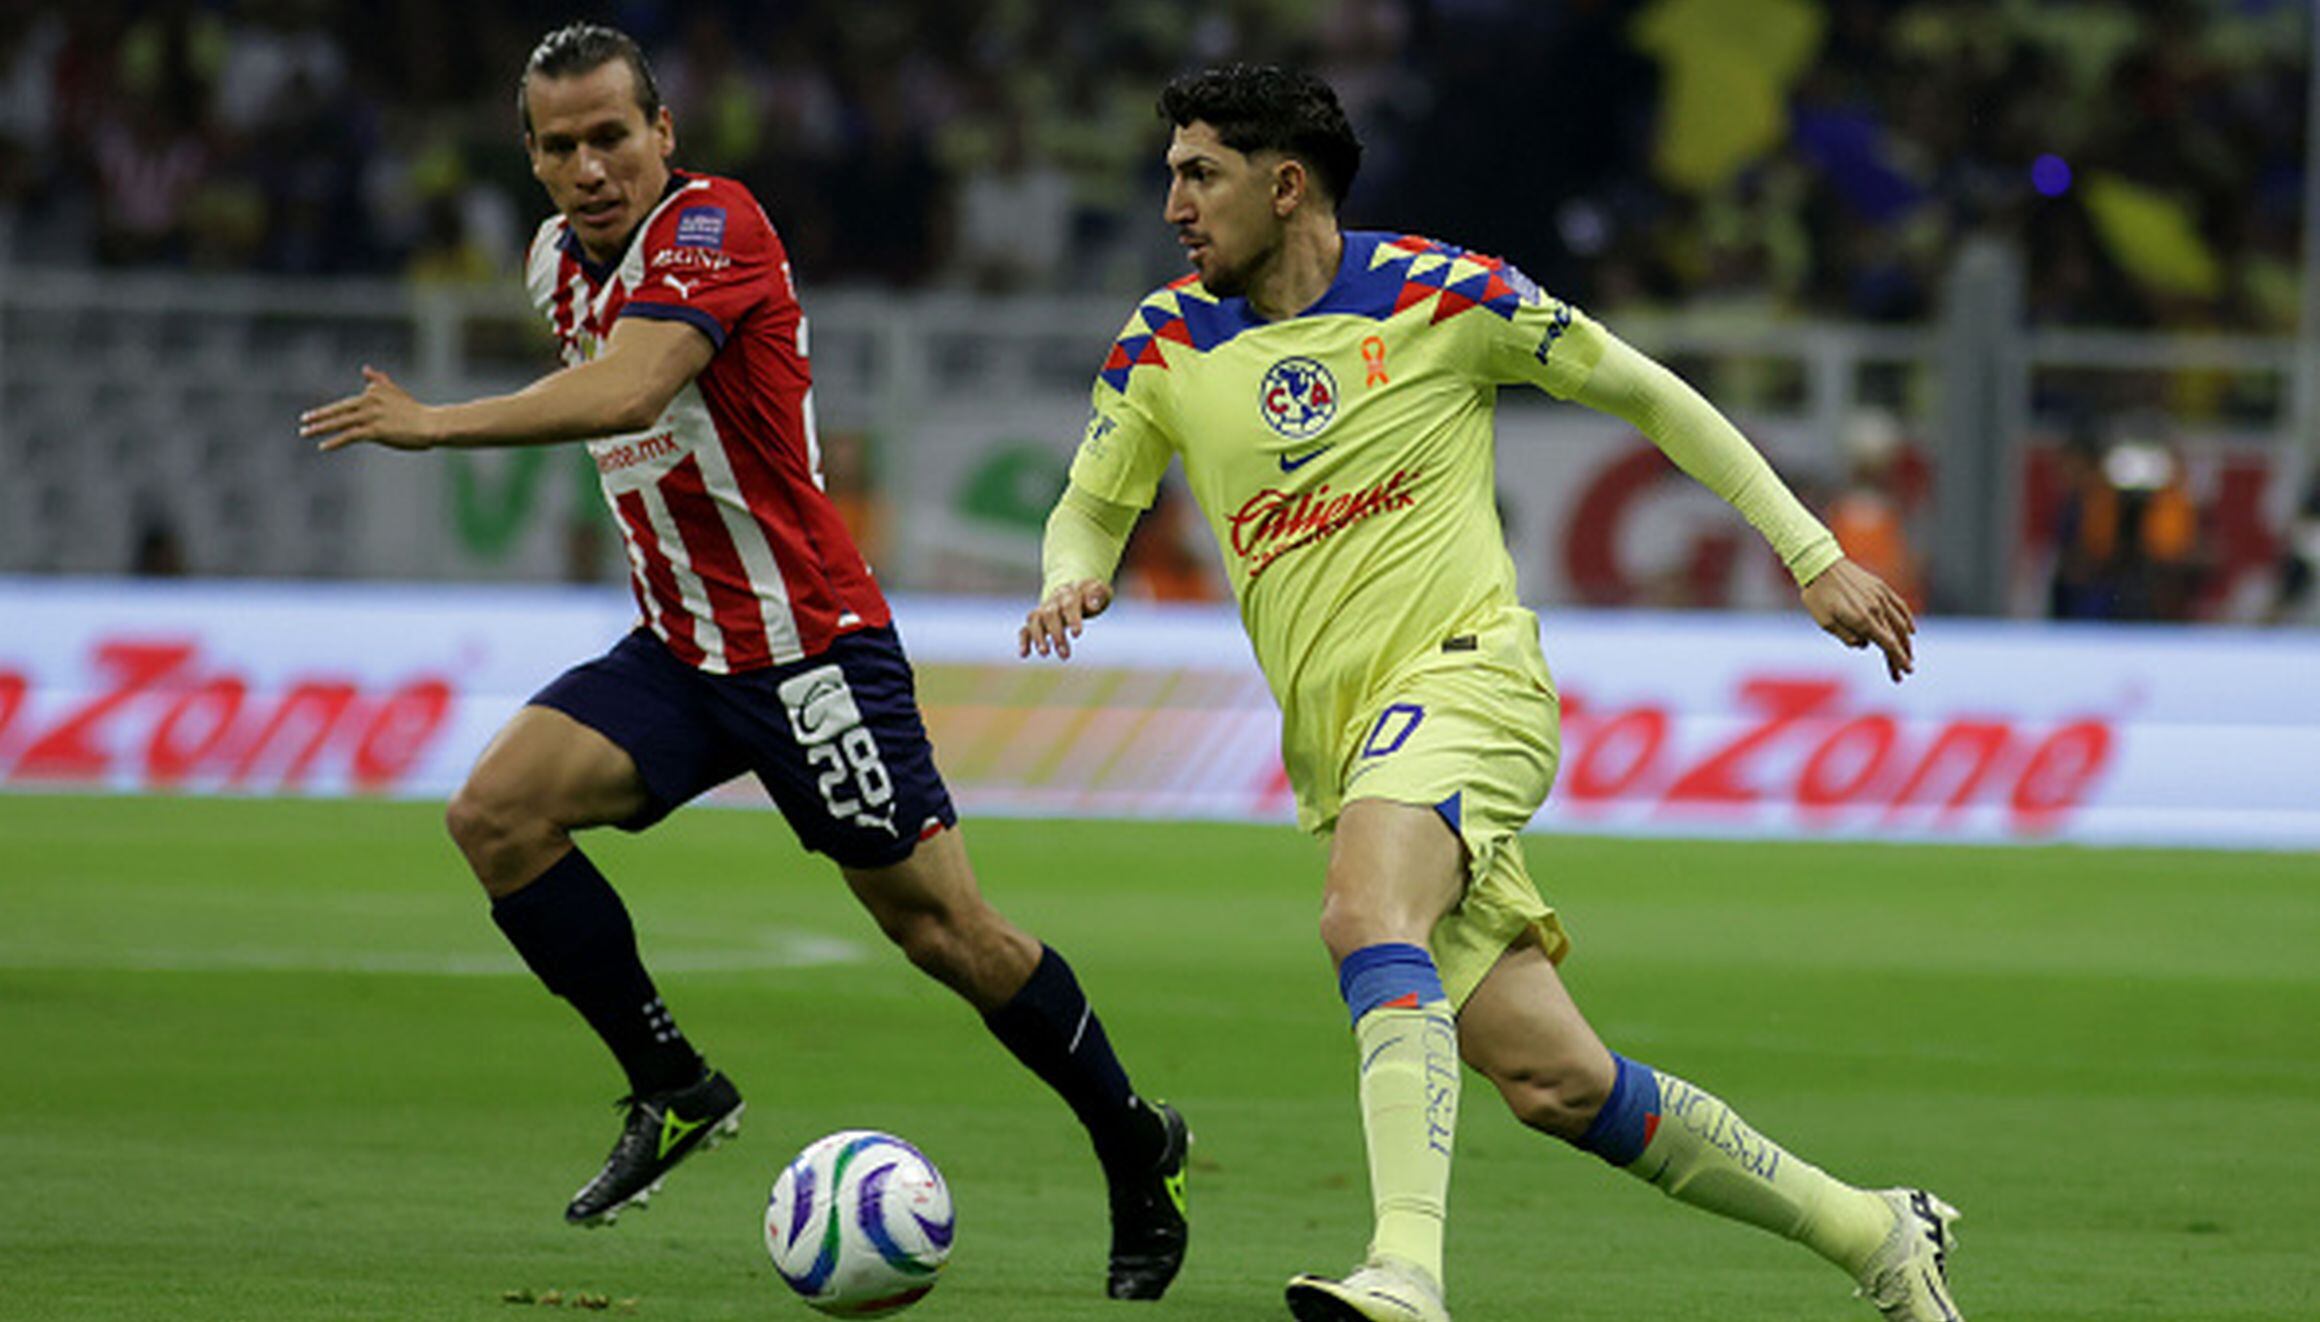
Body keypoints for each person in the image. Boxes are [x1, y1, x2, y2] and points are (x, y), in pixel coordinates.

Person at [1020, 66, 1955, 1322]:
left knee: (1362, 913)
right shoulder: (1165, 340)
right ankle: (1876, 1232)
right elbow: (1093, 501)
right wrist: (1070, 575)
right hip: (1348, 749)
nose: (1173, 203)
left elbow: (1646, 392)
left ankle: (1406, 1270)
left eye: (1200, 173)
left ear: (1283, 183)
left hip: (1471, 682)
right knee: (1557, 1081)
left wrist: (1810, 550)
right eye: (1172, 174)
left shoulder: (1443, 294)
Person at [300, 24, 1187, 1300]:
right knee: (496, 814)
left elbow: (628, 393)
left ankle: (1131, 1140)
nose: (592, 164)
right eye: (562, 145)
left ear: (664, 133)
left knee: (946, 932)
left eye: (614, 135)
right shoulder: (555, 262)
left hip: (806, 647)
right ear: (533, 162)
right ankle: (673, 1084)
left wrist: (434, 423)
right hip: (678, 646)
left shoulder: (717, 228)